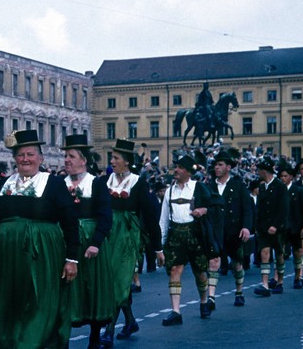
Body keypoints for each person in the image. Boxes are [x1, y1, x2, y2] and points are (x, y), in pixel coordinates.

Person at [0, 129, 79, 349]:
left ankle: (36, 342)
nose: (25, 159)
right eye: (20, 155)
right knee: (9, 300)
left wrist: (72, 258)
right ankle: (10, 340)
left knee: (39, 299)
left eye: (30, 154)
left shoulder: (54, 184)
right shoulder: (3, 185)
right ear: (14, 159)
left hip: (43, 254)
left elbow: (70, 222)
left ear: (41, 158)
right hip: (8, 258)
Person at [100, 139, 163, 345]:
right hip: (108, 236)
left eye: (116, 158)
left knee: (119, 280)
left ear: (126, 162)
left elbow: (151, 216)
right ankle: (130, 321)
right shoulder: (106, 181)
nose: (112, 161)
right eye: (112, 157)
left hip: (127, 236)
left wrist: (158, 247)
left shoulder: (138, 183)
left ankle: (109, 328)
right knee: (112, 281)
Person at [61, 135, 113, 349]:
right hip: (65, 241)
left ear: (83, 160)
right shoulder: (58, 184)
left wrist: (96, 242)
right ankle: (62, 335)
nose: (66, 160)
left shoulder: (97, 183)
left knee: (92, 287)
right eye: (65, 155)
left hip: (89, 243)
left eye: (71, 156)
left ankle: (94, 337)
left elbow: (105, 216)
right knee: (65, 287)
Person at [159, 155, 212, 326]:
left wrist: (203, 209)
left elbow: (215, 206)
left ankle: (204, 302)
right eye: (176, 167)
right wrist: (160, 245)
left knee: (200, 272)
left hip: (194, 234)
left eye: (180, 167)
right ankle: (176, 311)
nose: (176, 170)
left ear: (188, 172)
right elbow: (164, 219)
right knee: (175, 270)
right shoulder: (169, 191)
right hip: (176, 234)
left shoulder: (199, 187)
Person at [206, 150, 252, 308]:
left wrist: (246, 227)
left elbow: (247, 209)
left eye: (220, 165)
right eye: (216, 165)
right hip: (215, 231)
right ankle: (211, 297)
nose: (216, 168)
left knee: (237, 264)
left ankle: (239, 291)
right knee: (213, 262)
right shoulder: (209, 186)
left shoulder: (238, 186)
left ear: (228, 167)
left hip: (234, 231)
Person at [253, 158, 289, 297]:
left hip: (277, 228)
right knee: (264, 254)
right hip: (264, 227)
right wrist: (257, 225)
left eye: (259, 170)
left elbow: (283, 209)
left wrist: (276, 225)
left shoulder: (280, 186)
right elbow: (260, 208)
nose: (258, 173)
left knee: (279, 255)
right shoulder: (262, 187)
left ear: (264, 171)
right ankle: (265, 284)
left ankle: (280, 281)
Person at [275, 163, 303, 289]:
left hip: (295, 227)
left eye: (285, 176)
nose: (282, 178)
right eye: (281, 176)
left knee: (296, 253)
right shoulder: (278, 191)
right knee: (279, 254)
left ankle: (297, 277)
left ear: (291, 177)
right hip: (281, 227)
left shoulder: (298, 191)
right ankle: (280, 281)